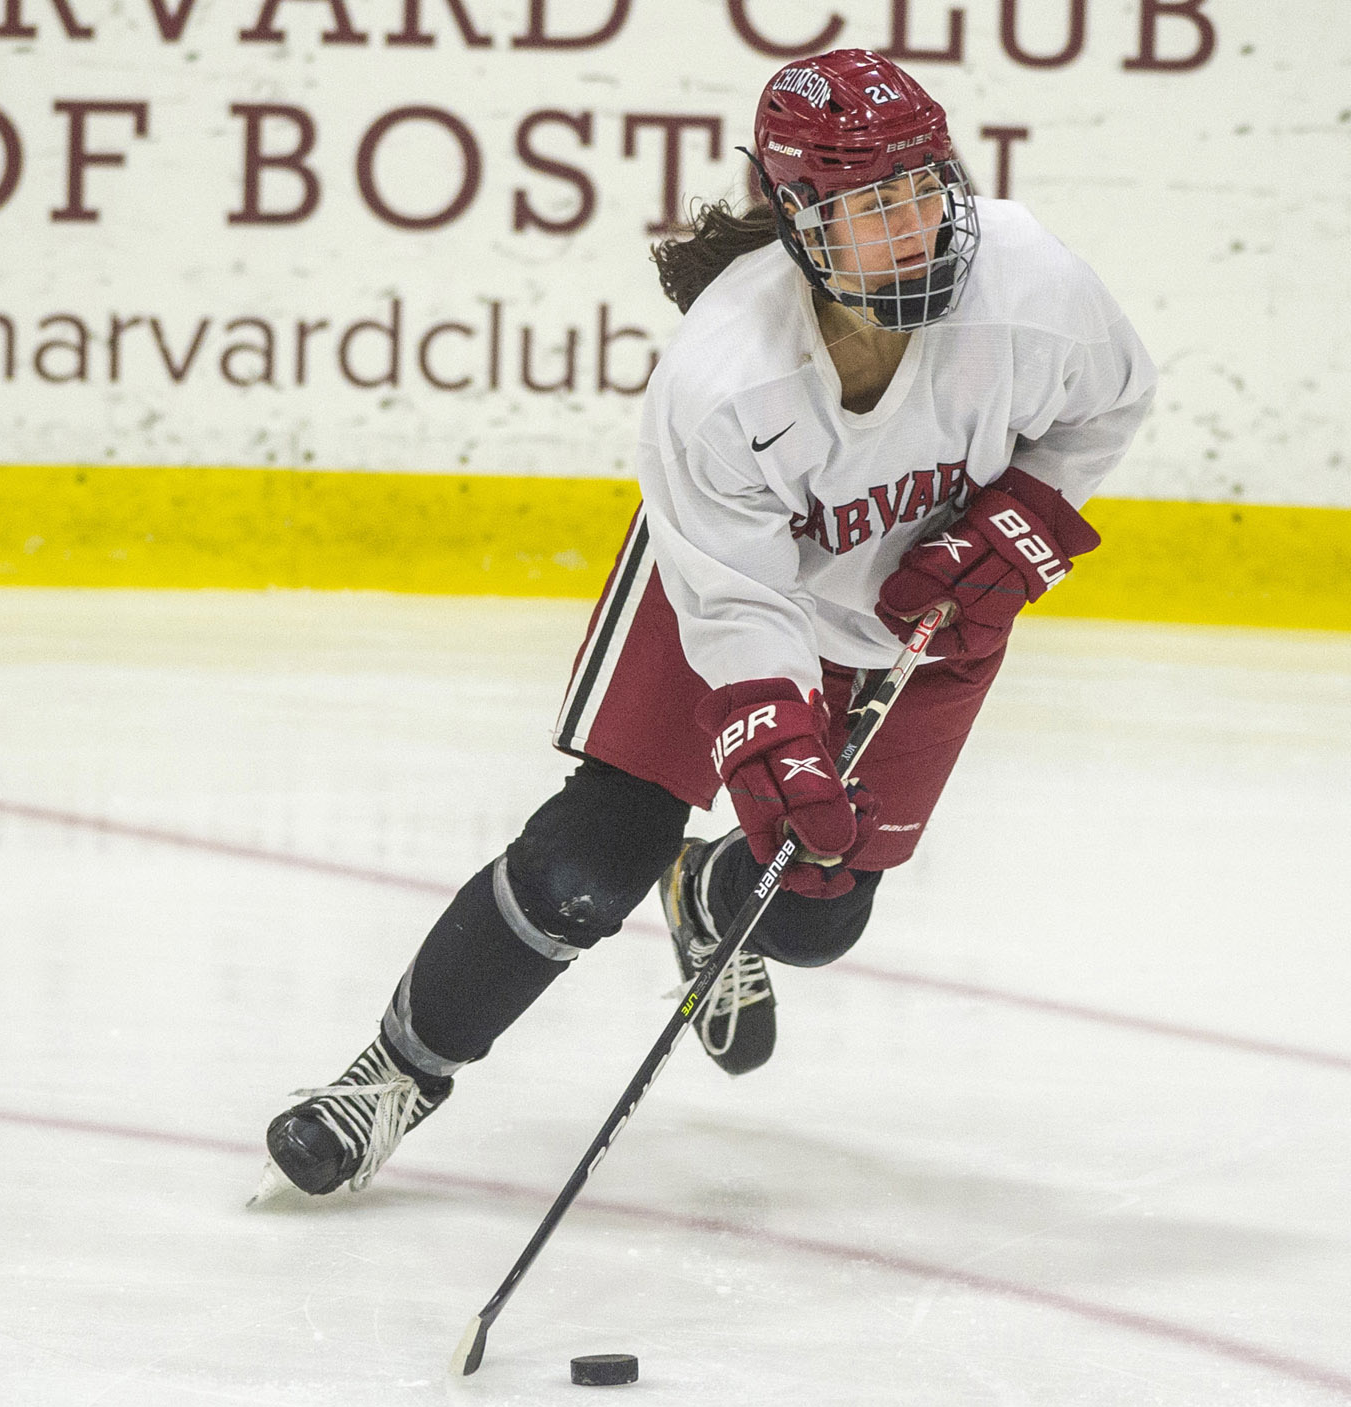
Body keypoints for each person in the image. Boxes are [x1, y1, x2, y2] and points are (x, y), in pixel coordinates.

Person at [256, 47, 1155, 1200]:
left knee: (813, 919)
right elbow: (731, 599)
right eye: (875, 206)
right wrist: (771, 732)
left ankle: (712, 890)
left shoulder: (1030, 283)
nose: (920, 225)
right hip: (728, 596)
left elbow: (1111, 401)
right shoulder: (722, 376)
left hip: (922, 615)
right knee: (593, 859)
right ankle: (389, 1077)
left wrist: (1023, 518)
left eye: (926, 187)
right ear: (800, 221)